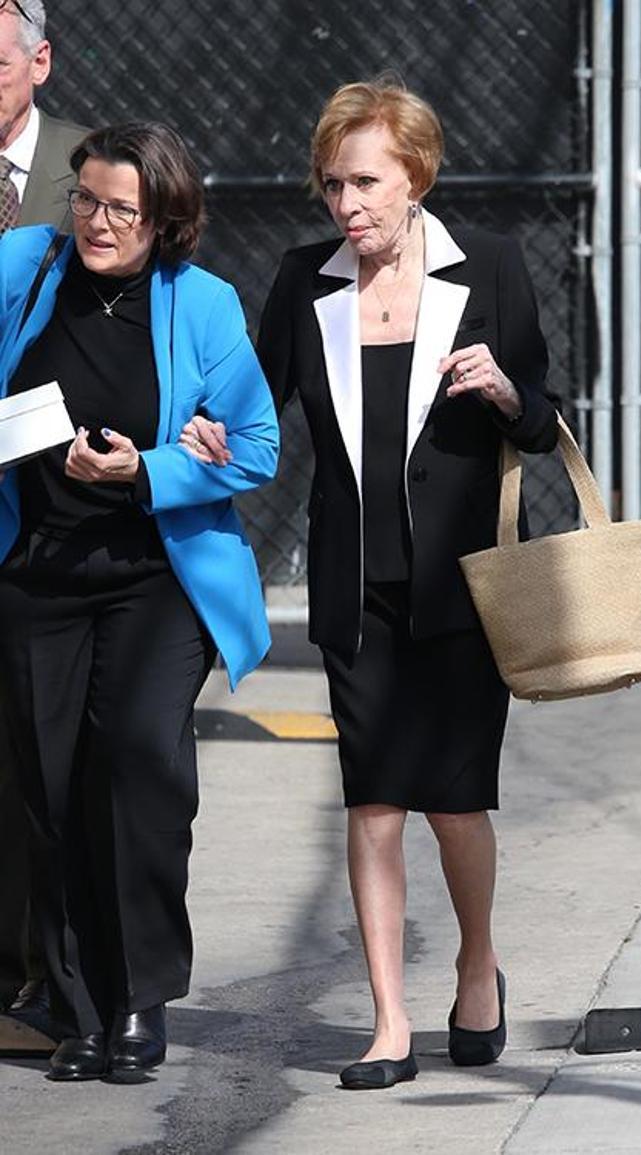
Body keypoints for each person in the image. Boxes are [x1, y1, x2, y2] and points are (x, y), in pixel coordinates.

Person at [183, 77, 558, 1090]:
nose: (345, 204)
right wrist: (212, 437)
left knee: (455, 805)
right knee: (374, 802)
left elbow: (542, 417)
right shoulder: (304, 280)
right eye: (331, 185)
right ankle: (389, 1021)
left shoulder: (489, 267)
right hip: (357, 589)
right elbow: (255, 413)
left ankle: (476, 966)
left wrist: (504, 389)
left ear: (415, 177)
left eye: (364, 183)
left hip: (465, 589)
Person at [0, 120, 278, 1082]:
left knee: (135, 765)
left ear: (165, 219)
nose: (98, 222)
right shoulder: (24, 268)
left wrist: (146, 469)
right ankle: (76, 1005)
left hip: (155, 578)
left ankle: (139, 997)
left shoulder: (202, 303)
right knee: (50, 787)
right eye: (86, 198)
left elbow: (257, 446)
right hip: (37, 571)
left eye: (123, 208)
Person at [0, 0, 88, 1031]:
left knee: (41, 748)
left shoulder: (92, 172)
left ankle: (43, 969)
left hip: (57, 500)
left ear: (41, 61)